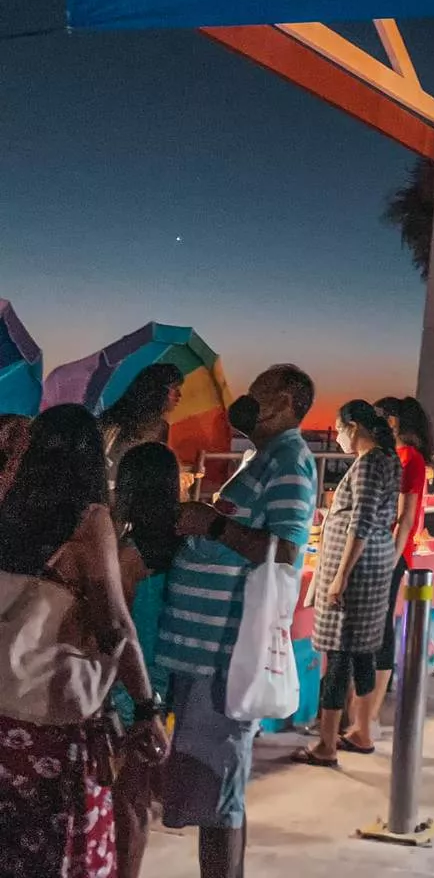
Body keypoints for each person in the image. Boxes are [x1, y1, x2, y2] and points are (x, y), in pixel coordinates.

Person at [157, 365, 318, 878]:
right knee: (210, 790)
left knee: (218, 788)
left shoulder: (290, 460)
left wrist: (213, 524)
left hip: (222, 654)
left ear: (289, 400)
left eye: (260, 391)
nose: (248, 398)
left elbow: (287, 552)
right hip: (200, 650)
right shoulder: (263, 459)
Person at [0, 406, 168, 878]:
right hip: (51, 719)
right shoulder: (90, 521)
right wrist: (146, 707)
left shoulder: (7, 507)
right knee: (55, 847)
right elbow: (114, 622)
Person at [295, 400, 400, 766]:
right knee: (361, 652)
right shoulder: (386, 459)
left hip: (356, 571)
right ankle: (361, 731)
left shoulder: (370, 463)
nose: (337, 437)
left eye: (339, 429)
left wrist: (340, 576)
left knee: (339, 655)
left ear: (354, 427)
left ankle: (326, 744)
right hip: (369, 566)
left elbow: (362, 522)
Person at [111, 442, 181, 878]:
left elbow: (116, 629)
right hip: (168, 677)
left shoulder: (129, 555)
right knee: (140, 793)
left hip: (130, 687)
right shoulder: (186, 545)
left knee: (125, 795)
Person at [365, 395, 432, 730]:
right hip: (386, 551)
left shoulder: (409, 457)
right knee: (375, 627)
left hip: (391, 553)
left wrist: (390, 561)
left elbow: (405, 518)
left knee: (378, 629)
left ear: (392, 422)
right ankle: (365, 708)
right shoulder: (400, 456)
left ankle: (371, 710)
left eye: (378, 418)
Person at [98, 364, 184, 489]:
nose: (179, 396)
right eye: (175, 389)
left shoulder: (112, 416)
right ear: (158, 390)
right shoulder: (153, 427)